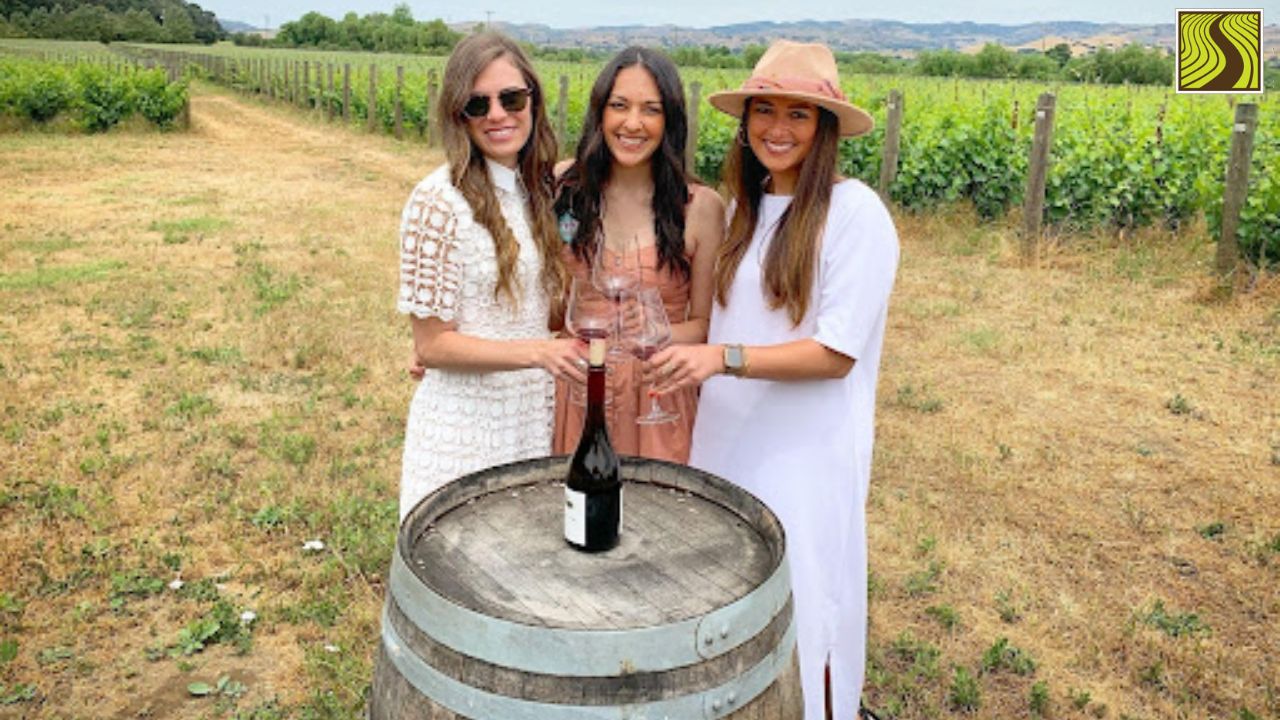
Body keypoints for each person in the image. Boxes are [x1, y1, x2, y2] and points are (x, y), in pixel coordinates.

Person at [645, 41, 899, 719]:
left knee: (804, 601)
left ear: (824, 129)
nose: (777, 128)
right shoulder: (744, 210)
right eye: (764, 110)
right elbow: (727, 326)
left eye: (799, 114)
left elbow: (833, 354)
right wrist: (630, 343)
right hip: (727, 439)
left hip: (805, 451)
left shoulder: (856, 215)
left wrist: (722, 359)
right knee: (726, 592)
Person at [396, 32, 584, 520]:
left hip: (534, 419)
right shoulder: (437, 201)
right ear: (459, 115)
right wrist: (539, 352)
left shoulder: (543, 190)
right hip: (465, 427)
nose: (498, 114)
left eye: (512, 98)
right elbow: (433, 346)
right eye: (478, 104)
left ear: (533, 100)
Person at [550, 46, 724, 464]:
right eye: (619, 106)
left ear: (670, 120)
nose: (632, 123)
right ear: (600, 113)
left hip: (657, 400)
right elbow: (545, 301)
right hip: (579, 393)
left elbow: (704, 328)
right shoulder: (563, 186)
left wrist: (658, 329)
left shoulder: (700, 207)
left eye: (651, 109)